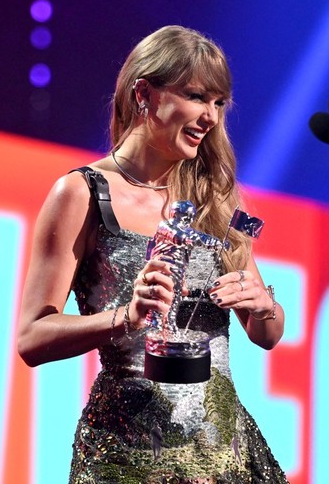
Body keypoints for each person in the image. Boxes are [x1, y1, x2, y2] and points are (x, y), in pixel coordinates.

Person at [17, 25, 288, 483]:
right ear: (144, 93)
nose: (212, 117)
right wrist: (128, 315)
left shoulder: (215, 202)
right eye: (197, 96)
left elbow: (266, 334)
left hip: (222, 454)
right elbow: (31, 338)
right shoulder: (81, 193)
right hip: (127, 453)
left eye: (219, 103)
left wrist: (265, 305)